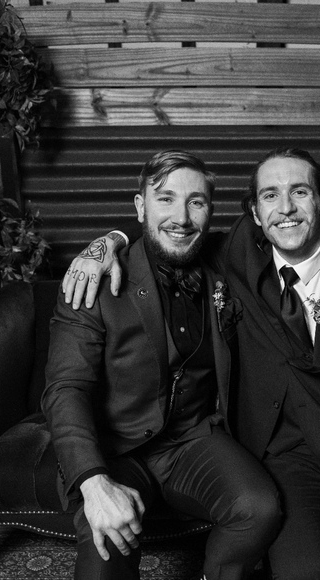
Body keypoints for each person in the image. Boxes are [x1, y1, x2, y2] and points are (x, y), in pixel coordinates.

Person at [63, 148, 320, 580]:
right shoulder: (236, 258)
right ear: (255, 216)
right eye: (270, 196)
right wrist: (109, 241)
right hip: (287, 456)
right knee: (301, 570)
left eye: (299, 192)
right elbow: (170, 230)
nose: (285, 208)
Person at [42, 150, 282, 580]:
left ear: (211, 211)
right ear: (140, 207)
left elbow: (283, 220)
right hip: (115, 449)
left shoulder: (224, 259)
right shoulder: (91, 279)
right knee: (103, 561)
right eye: (166, 199)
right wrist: (94, 482)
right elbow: (65, 388)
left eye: (196, 202)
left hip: (193, 438)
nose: (182, 218)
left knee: (259, 508)